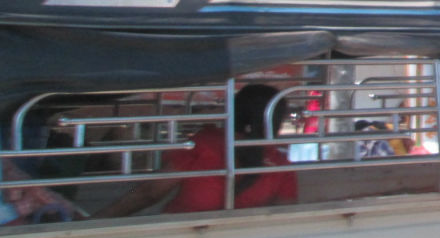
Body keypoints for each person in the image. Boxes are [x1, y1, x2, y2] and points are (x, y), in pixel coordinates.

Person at [96, 84, 297, 217]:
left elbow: (148, 192)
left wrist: (99, 218)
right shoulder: (279, 164)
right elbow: (284, 212)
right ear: (276, 121)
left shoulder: (202, 145)